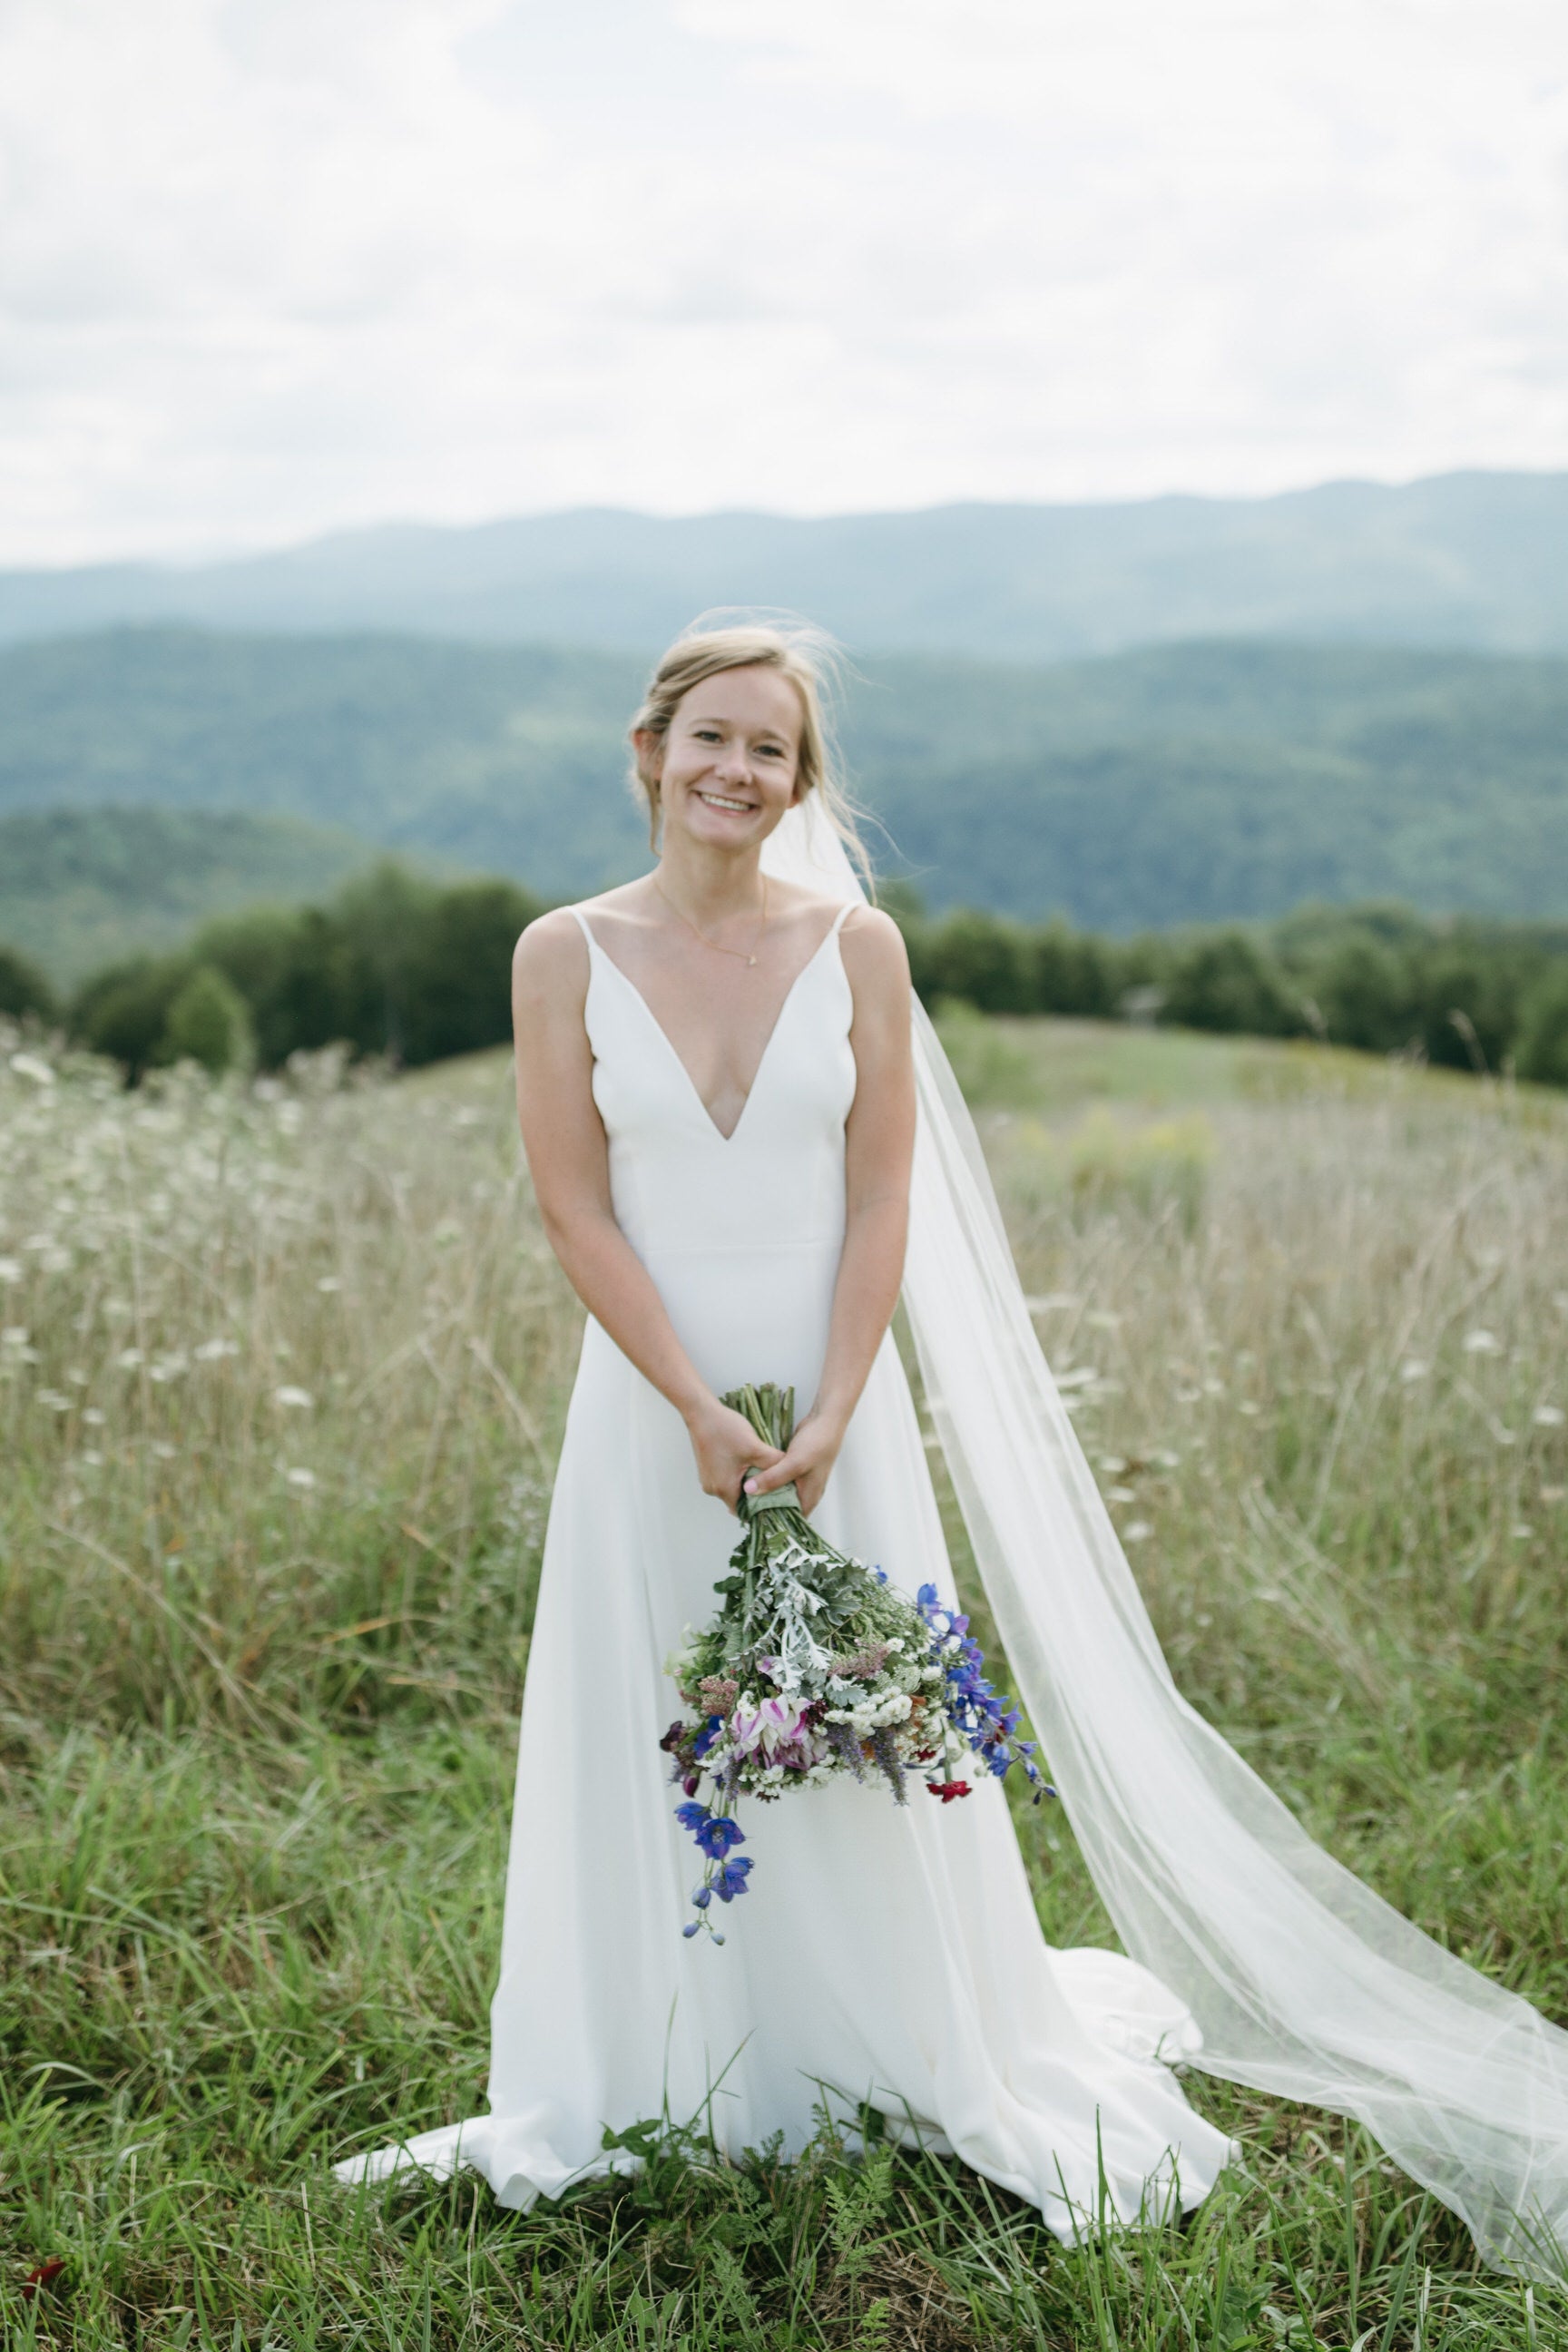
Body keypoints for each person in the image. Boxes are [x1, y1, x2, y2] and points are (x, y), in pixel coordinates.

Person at [337, 620, 1568, 2278]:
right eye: (711, 736)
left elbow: (881, 1196)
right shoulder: (559, 954)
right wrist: (696, 1405)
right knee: (658, 1718)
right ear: (650, 750)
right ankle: (669, 2059)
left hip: (841, 1406)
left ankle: (906, 2040)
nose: (735, 770)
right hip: (648, 1411)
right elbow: (573, 1204)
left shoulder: (859, 950)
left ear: (799, 782)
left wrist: (838, 1407)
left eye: (770, 749)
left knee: (866, 1724)